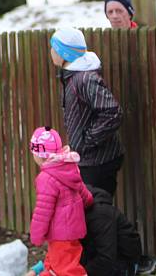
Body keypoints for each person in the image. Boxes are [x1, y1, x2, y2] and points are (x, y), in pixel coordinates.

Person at [50, 28, 124, 196]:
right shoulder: (72, 77)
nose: (51, 52)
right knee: (91, 212)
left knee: (97, 212)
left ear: (64, 53)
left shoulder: (84, 79)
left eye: (54, 48)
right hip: (89, 159)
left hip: (98, 161)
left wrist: (86, 140)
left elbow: (112, 112)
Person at [29, 184, 142, 276]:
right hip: (91, 257)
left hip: (121, 262)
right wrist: (38, 269)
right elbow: (61, 251)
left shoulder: (101, 215)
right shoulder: (65, 214)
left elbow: (106, 259)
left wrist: (80, 273)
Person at [28, 126, 93, 276]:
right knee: (56, 266)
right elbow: (82, 190)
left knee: (66, 270)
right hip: (73, 230)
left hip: (60, 234)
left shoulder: (46, 179)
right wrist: (88, 201)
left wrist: (36, 235)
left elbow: (42, 212)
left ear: (39, 155)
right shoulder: (68, 167)